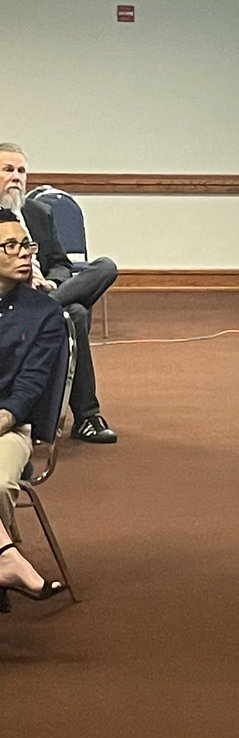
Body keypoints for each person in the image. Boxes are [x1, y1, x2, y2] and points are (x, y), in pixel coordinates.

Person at [0, 142, 118, 443]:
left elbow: (60, 263)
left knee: (105, 267)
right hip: (11, 298)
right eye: (8, 169)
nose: (16, 177)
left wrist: (52, 283)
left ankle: (51, 304)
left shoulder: (39, 212)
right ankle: (87, 417)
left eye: (22, 171)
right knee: (75, 313)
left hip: (47, 292)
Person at [0, 205, 67, 610]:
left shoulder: (44, 313)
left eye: (27, 244)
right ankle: (7, 558)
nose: (24, 253)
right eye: (11, 245)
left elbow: (29, 391)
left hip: (11, 425)